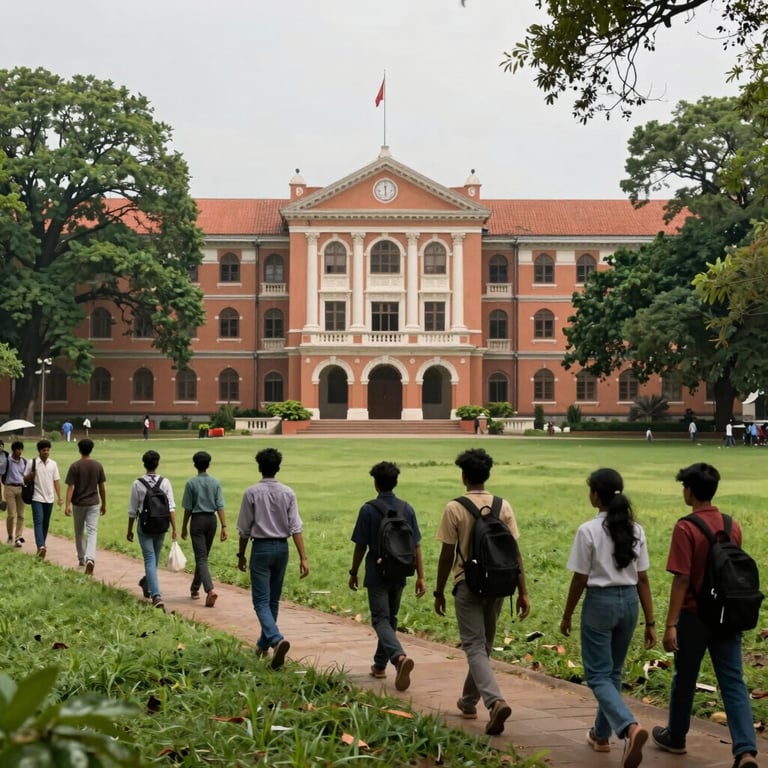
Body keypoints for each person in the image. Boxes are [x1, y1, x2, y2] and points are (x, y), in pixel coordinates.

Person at [653, 463, 759, 768]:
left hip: (694, 615)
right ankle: (746, 750)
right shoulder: (731, 525)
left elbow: (682, 579)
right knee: (733, 681)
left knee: (684, 677)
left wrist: (670, 624)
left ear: (689, 491)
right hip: (728, 613)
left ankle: (676, 735)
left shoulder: (685, 527)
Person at [560, 468, 655, 767]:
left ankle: (629, 727)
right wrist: (651, 622)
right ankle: (600, 736)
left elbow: (579, 579)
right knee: (612, 672)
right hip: (629, 603)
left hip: (599, 603)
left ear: (596, 495)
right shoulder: (636, 530)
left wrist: (567, 614)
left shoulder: (588, 530)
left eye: (590, 490)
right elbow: (643, 579)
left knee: (598, 676)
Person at [433, 447, 530, 736]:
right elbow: (515, 553)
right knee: (483, 646)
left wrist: (439, 590)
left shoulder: (455, 508)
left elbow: (446, 555)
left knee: (474, 646)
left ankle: (495, 701)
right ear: (487, 475)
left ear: (464, 476)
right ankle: (467, 701)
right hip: (499, 583)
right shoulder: (503, 505)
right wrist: (523, 591)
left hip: (467, 583)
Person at [348, 461, 426, 690]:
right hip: (401, 569)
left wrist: (354, 572)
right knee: (390, 618)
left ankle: (399, 659)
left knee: (380, 619)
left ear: (376, 483)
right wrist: (421, 576)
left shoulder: (368, 509)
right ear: (395, 482)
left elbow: (360, 546)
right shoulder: (406, 509)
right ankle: (379, 665)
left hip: (377, 571)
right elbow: (417, 545)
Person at [236, 448, 309, 669]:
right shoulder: (288, 493)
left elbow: (244, 529)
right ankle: (263, 644)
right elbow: (295, 527)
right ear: (278, 468)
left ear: (260, 467)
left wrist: (241, 554)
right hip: (282, 548)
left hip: (260, 548)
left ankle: (276, 640)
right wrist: (303, 557)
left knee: (260, 601)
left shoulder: (251, 493)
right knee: (273, 599)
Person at [127, 450, 177, 610]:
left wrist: (129, 529)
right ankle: (149, 586)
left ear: (144, 464)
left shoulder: (137, 484)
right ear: (157, 464)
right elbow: (171, 507)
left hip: (145, 525)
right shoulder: (165, 482)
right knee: (154, 558)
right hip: (162, 525)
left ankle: (155, 594)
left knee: (150, 559)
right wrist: (174, 528)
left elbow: (132, 510)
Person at [181, 450, 227, 607]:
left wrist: (184, 527)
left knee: (201, 558)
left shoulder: (191, 483)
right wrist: (224, 526)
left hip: (197, 520)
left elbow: (188, 507)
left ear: (195, 465)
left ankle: (210, 590)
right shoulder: (215, 482)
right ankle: (194, 589)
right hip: (212, 521)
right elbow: (220, 506)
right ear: (209, 464)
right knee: (203, 556)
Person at [64, 438, 107, 574]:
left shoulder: (75, 466)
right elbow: (101, 487)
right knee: (92, 531)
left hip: (78, 503)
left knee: (79, 531)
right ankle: (91, 558)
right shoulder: (97, 466)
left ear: (79, 450)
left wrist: (67, 505)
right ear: (91, 449)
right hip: (94, 502)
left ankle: (82, 558)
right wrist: (104, 503)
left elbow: (70, 487)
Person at [25, 438, 63, 558]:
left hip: (49, 498)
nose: (46, 452)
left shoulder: (53, 464)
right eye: (43, 450)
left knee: (45, 524)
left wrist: (60, 497)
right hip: (37, 497)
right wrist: (30, 475)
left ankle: (41, 548)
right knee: (38, 522)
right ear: (39, 451)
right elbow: (24, 480)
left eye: (47, 450)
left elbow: (56, 481)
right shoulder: (32, 463)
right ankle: (41, 546)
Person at [3, 441, 28, 546]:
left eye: (21, 449)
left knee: (21, 514)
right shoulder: (7, 460)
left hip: (21, 488)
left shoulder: (24, 461)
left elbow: (26, 475)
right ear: (14, 450)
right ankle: (10, 535)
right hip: (9, 488)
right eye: (18, 449)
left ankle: (18, 536)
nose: (20, 451)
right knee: (11, 514)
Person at [0, 439, 9, 512]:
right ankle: (2, 500)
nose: (0, 447)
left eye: (1, 446)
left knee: (3, 486)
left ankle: (3, 501)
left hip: (4, 474)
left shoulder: (6, 454)